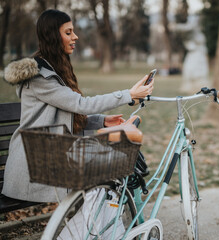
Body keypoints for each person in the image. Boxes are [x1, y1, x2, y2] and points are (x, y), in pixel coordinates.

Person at [2, 9, 154, 202]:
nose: (75, 36)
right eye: (68, 32)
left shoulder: (54, 68)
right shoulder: (39, 77)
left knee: (109, 171)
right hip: (33, 167)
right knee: (102, 179)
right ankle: (95, 232)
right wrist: (129, 95)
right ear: (52, 36)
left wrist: (101, 121)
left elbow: (64, 115)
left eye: (73, 31)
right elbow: (80, 104)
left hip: (50, 155)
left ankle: (105, 231)